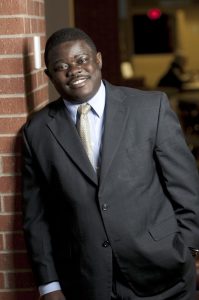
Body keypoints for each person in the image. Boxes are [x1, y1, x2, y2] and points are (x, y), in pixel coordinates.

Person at [22, 27, 199, 300]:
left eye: (82, 60)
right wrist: (50, 285)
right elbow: (37, 216)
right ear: (49, 76)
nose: (74, 70)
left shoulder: (150, 108)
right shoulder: (37, 131)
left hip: (164, 275)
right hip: (85, 281)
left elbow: (186, 187)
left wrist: (188, 249)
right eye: (61, 66)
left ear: (98, 60)